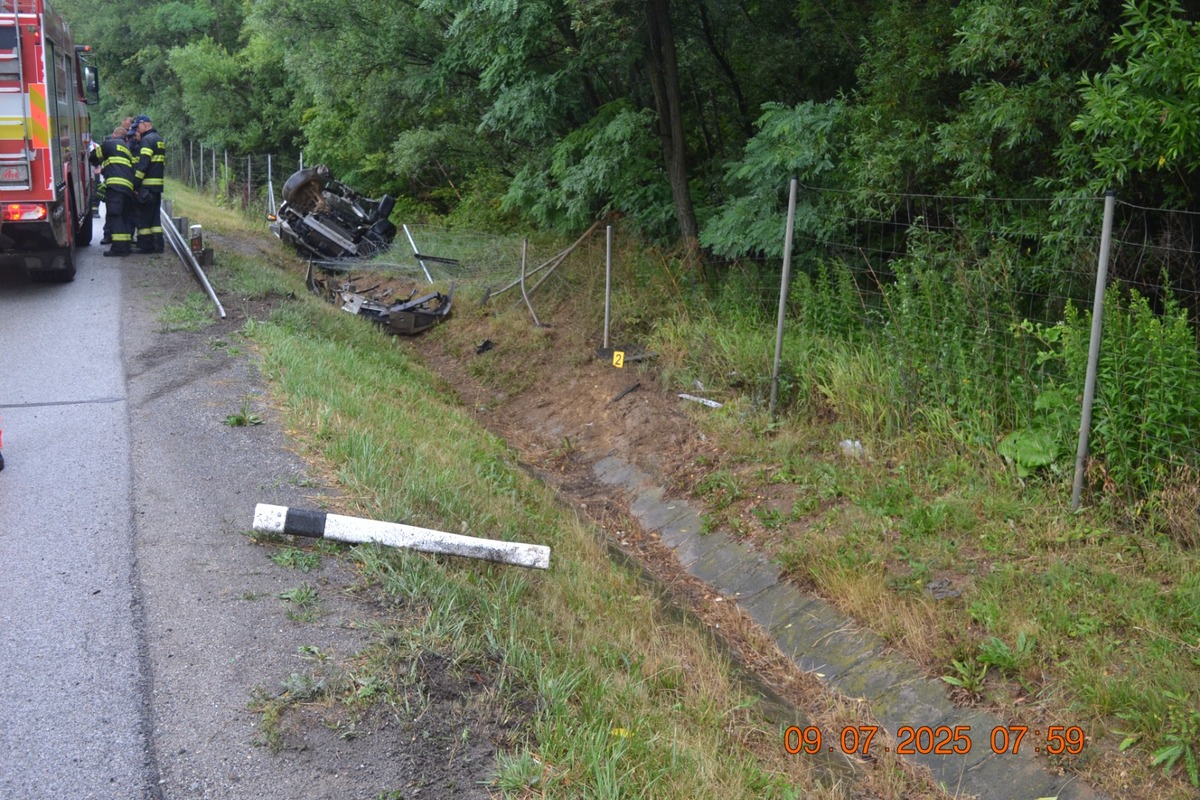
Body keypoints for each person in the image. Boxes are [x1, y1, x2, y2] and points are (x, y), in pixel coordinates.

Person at [89, 124, 135, 256]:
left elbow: (93, 156)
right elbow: (118, 166)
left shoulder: (109, 144)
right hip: (128, 188)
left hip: (115, 186)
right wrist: (104, 170)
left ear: (114, 135)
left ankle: (118, 248)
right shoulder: (127, 150)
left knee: (115, 215)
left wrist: (97, 165)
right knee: (124, 217)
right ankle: (126, 247)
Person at [129, 114, 165, 254]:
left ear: (144, 124)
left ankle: (145, 246)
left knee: (143, 217)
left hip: (147, 186)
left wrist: (135, 184)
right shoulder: (158, 139)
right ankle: (158, 245)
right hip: (157, 186)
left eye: (138, 126)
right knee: (155, 218)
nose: (137, 129)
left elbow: (143, 164)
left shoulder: (146, 140)